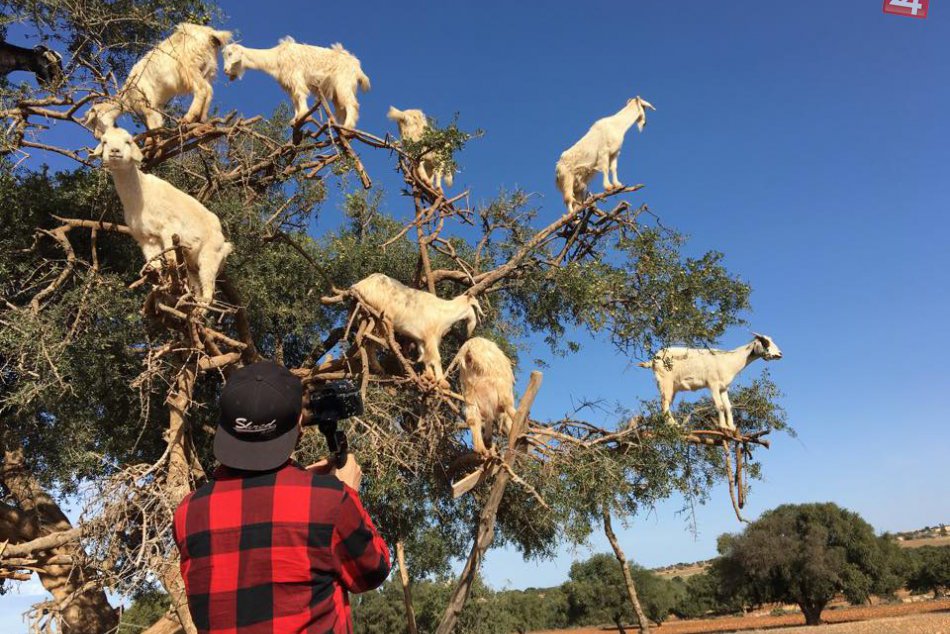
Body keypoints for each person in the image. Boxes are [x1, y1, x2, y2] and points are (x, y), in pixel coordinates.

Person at [173, 361, 391, 633]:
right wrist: (348, 493)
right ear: (299, 422)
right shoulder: (330, 503)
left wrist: (305, 484)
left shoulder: (188, 513)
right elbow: (373, 571)